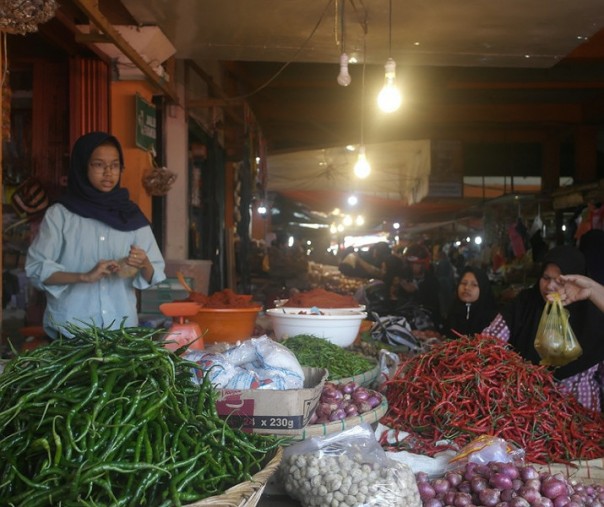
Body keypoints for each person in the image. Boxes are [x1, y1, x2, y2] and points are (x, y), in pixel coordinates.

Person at [25, 131, 166, 339]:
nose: (108, 173)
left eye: (115, 165)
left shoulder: (131, 216)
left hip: (121, 333)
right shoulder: (61, 215)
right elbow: (36, 269)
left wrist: (143, 263)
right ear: (83, 167)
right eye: (99, 164)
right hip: (69, 335)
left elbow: (155, 273)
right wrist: (83, 276)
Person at [483, 245, 604, 412]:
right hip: (531, 412)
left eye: (560, 281)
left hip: (583, 413)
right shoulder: (525, 304)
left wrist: (591, 290)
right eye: (546, 278)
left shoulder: (594, 312)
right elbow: (488, 342)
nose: (549, 287)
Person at [445, 266, 498, 337]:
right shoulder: (452, 311)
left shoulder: (492, 319)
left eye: (474, 285)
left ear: (483, 289)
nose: (466, 288)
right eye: (463, 283)